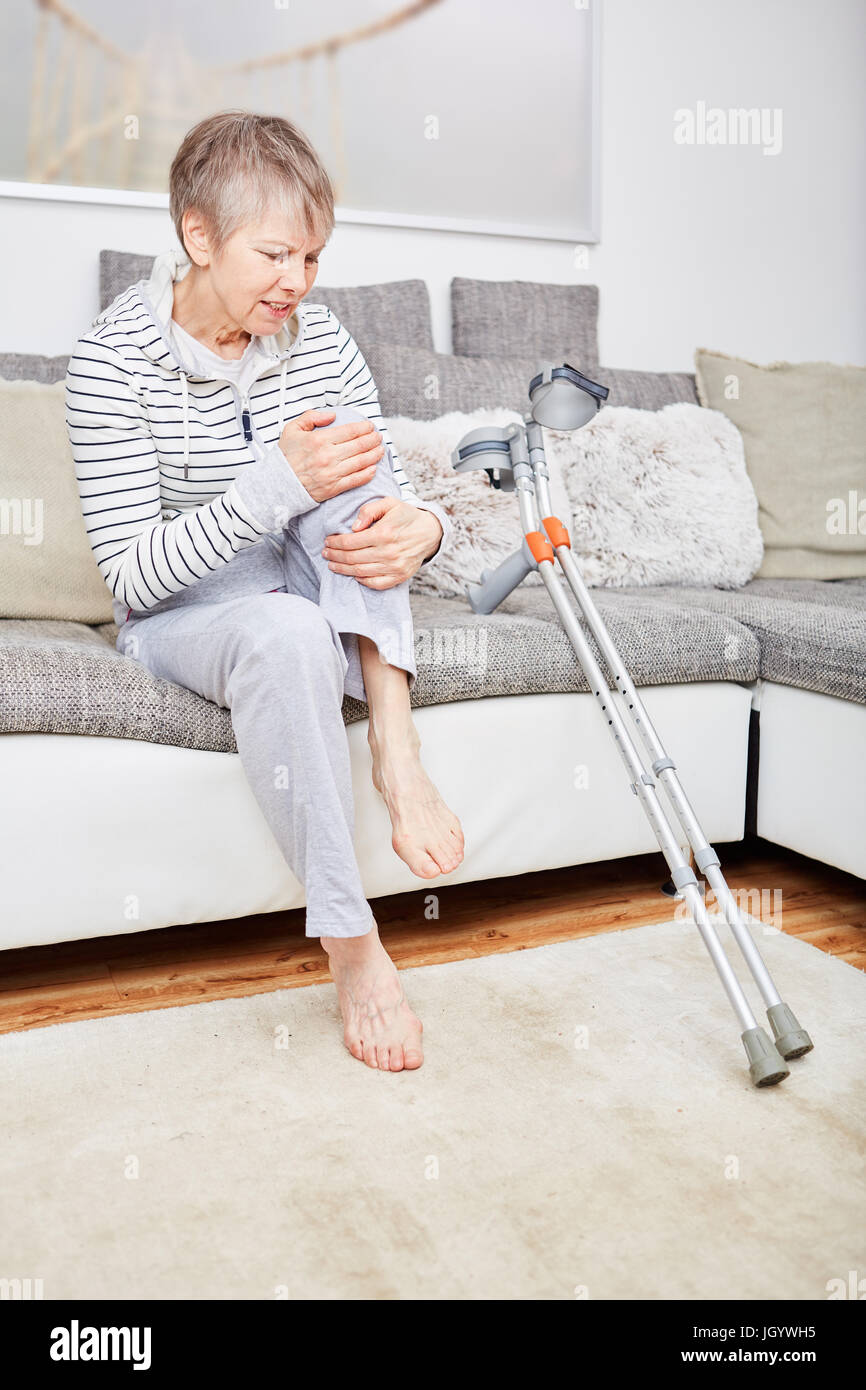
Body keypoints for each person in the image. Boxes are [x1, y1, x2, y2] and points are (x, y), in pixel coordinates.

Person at [65, 110, 465, 1073]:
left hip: (308, 573)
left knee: (358, 482)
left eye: (315, 258)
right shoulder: (107, 366)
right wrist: (275, 485)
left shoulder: (316, 339)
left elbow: (384, 495)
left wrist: (429, 527)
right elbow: (134, 575)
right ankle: (351, 944)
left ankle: (396, 753)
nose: (297, 283)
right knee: (287, 629)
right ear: (198, 239)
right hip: (185, 617)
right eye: (276, 254)